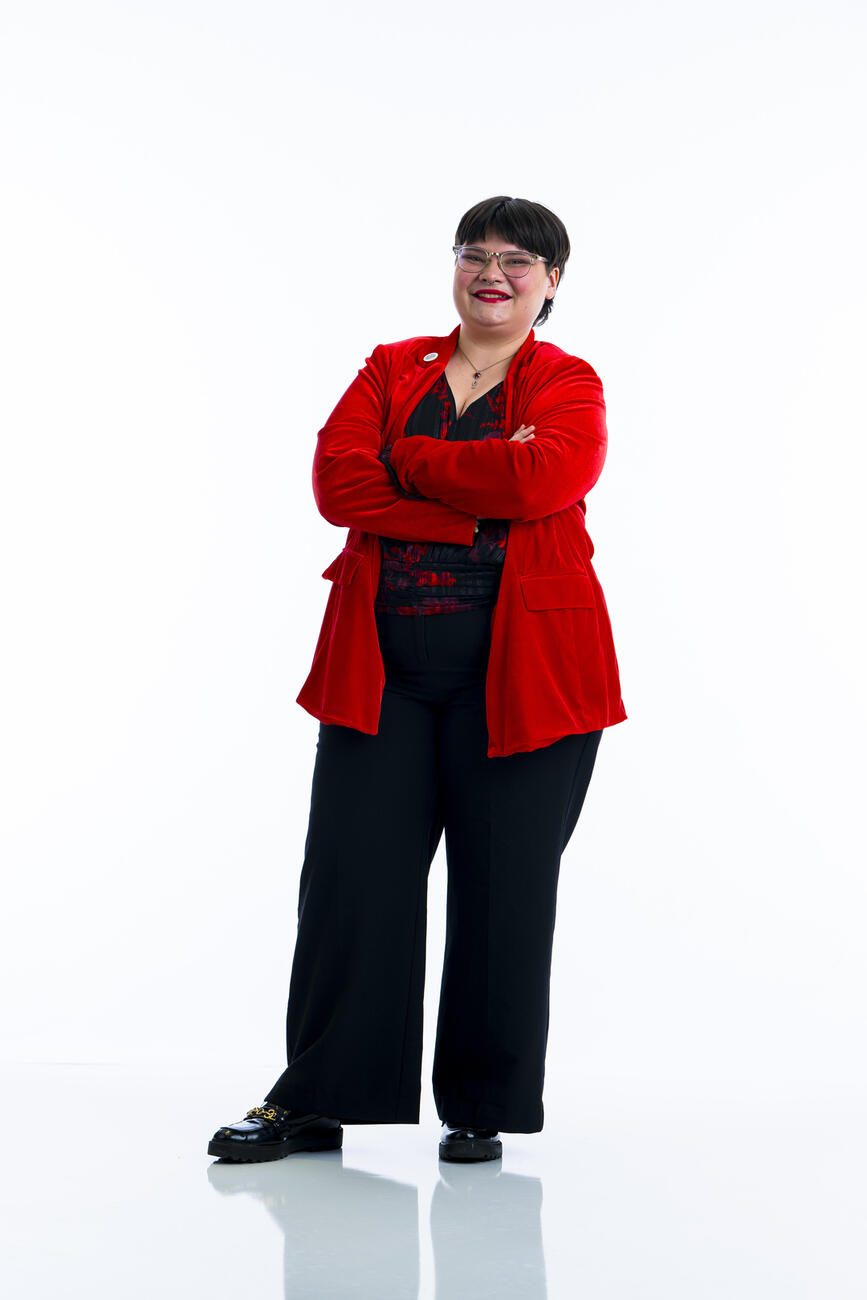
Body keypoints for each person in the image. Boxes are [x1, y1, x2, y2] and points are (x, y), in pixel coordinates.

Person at [208, 195, 627, 1166]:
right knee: (353, 882)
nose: (492, 272)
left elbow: (542, 482)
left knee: (503, 893)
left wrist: (410, 467)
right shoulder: (392, 367)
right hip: (381, 668)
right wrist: (469, 498)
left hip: (527, 677)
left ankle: (480, 1107)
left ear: (551, 282)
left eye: (517, 260)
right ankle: (314, 1098)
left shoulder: (572, 383)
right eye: (474, 254)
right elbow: (336, 484)